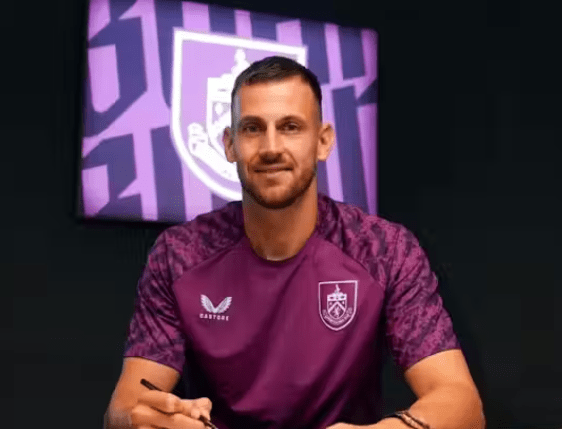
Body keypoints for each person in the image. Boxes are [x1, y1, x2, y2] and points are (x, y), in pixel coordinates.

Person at [104, 56, 485, 429]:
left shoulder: (384, 250)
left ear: (323, 141)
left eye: (290, 126)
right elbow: (124, 408)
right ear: (230, 144)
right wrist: (143, 420)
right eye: (252, 128)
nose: (271, 147)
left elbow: (463, 405)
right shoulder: (179, 256)